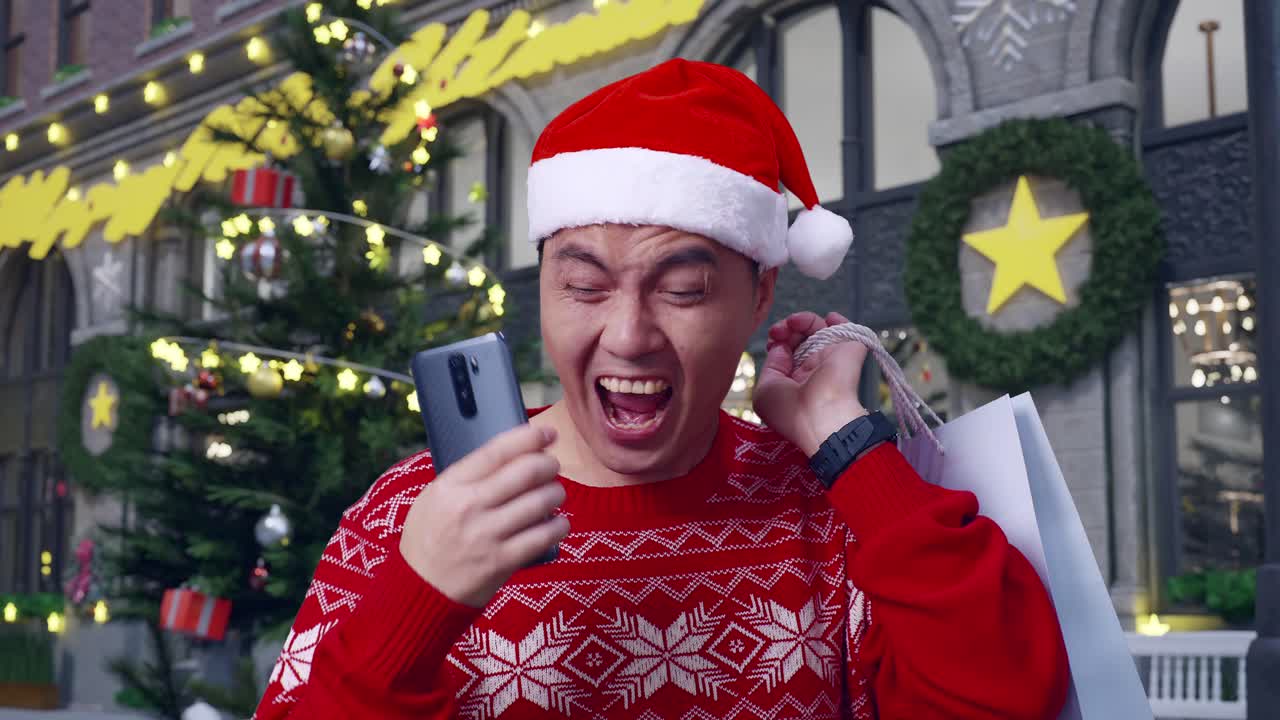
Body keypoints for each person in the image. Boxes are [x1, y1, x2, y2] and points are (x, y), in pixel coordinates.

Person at [253, 59, 1069, 719]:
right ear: (541, 289)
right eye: (583, 286)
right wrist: (417, 602)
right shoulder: (410, 515)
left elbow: (1002, 697)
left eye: (681, 290)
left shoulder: (824, 512)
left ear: (758, 297)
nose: (630, 333)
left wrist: (845, 442)